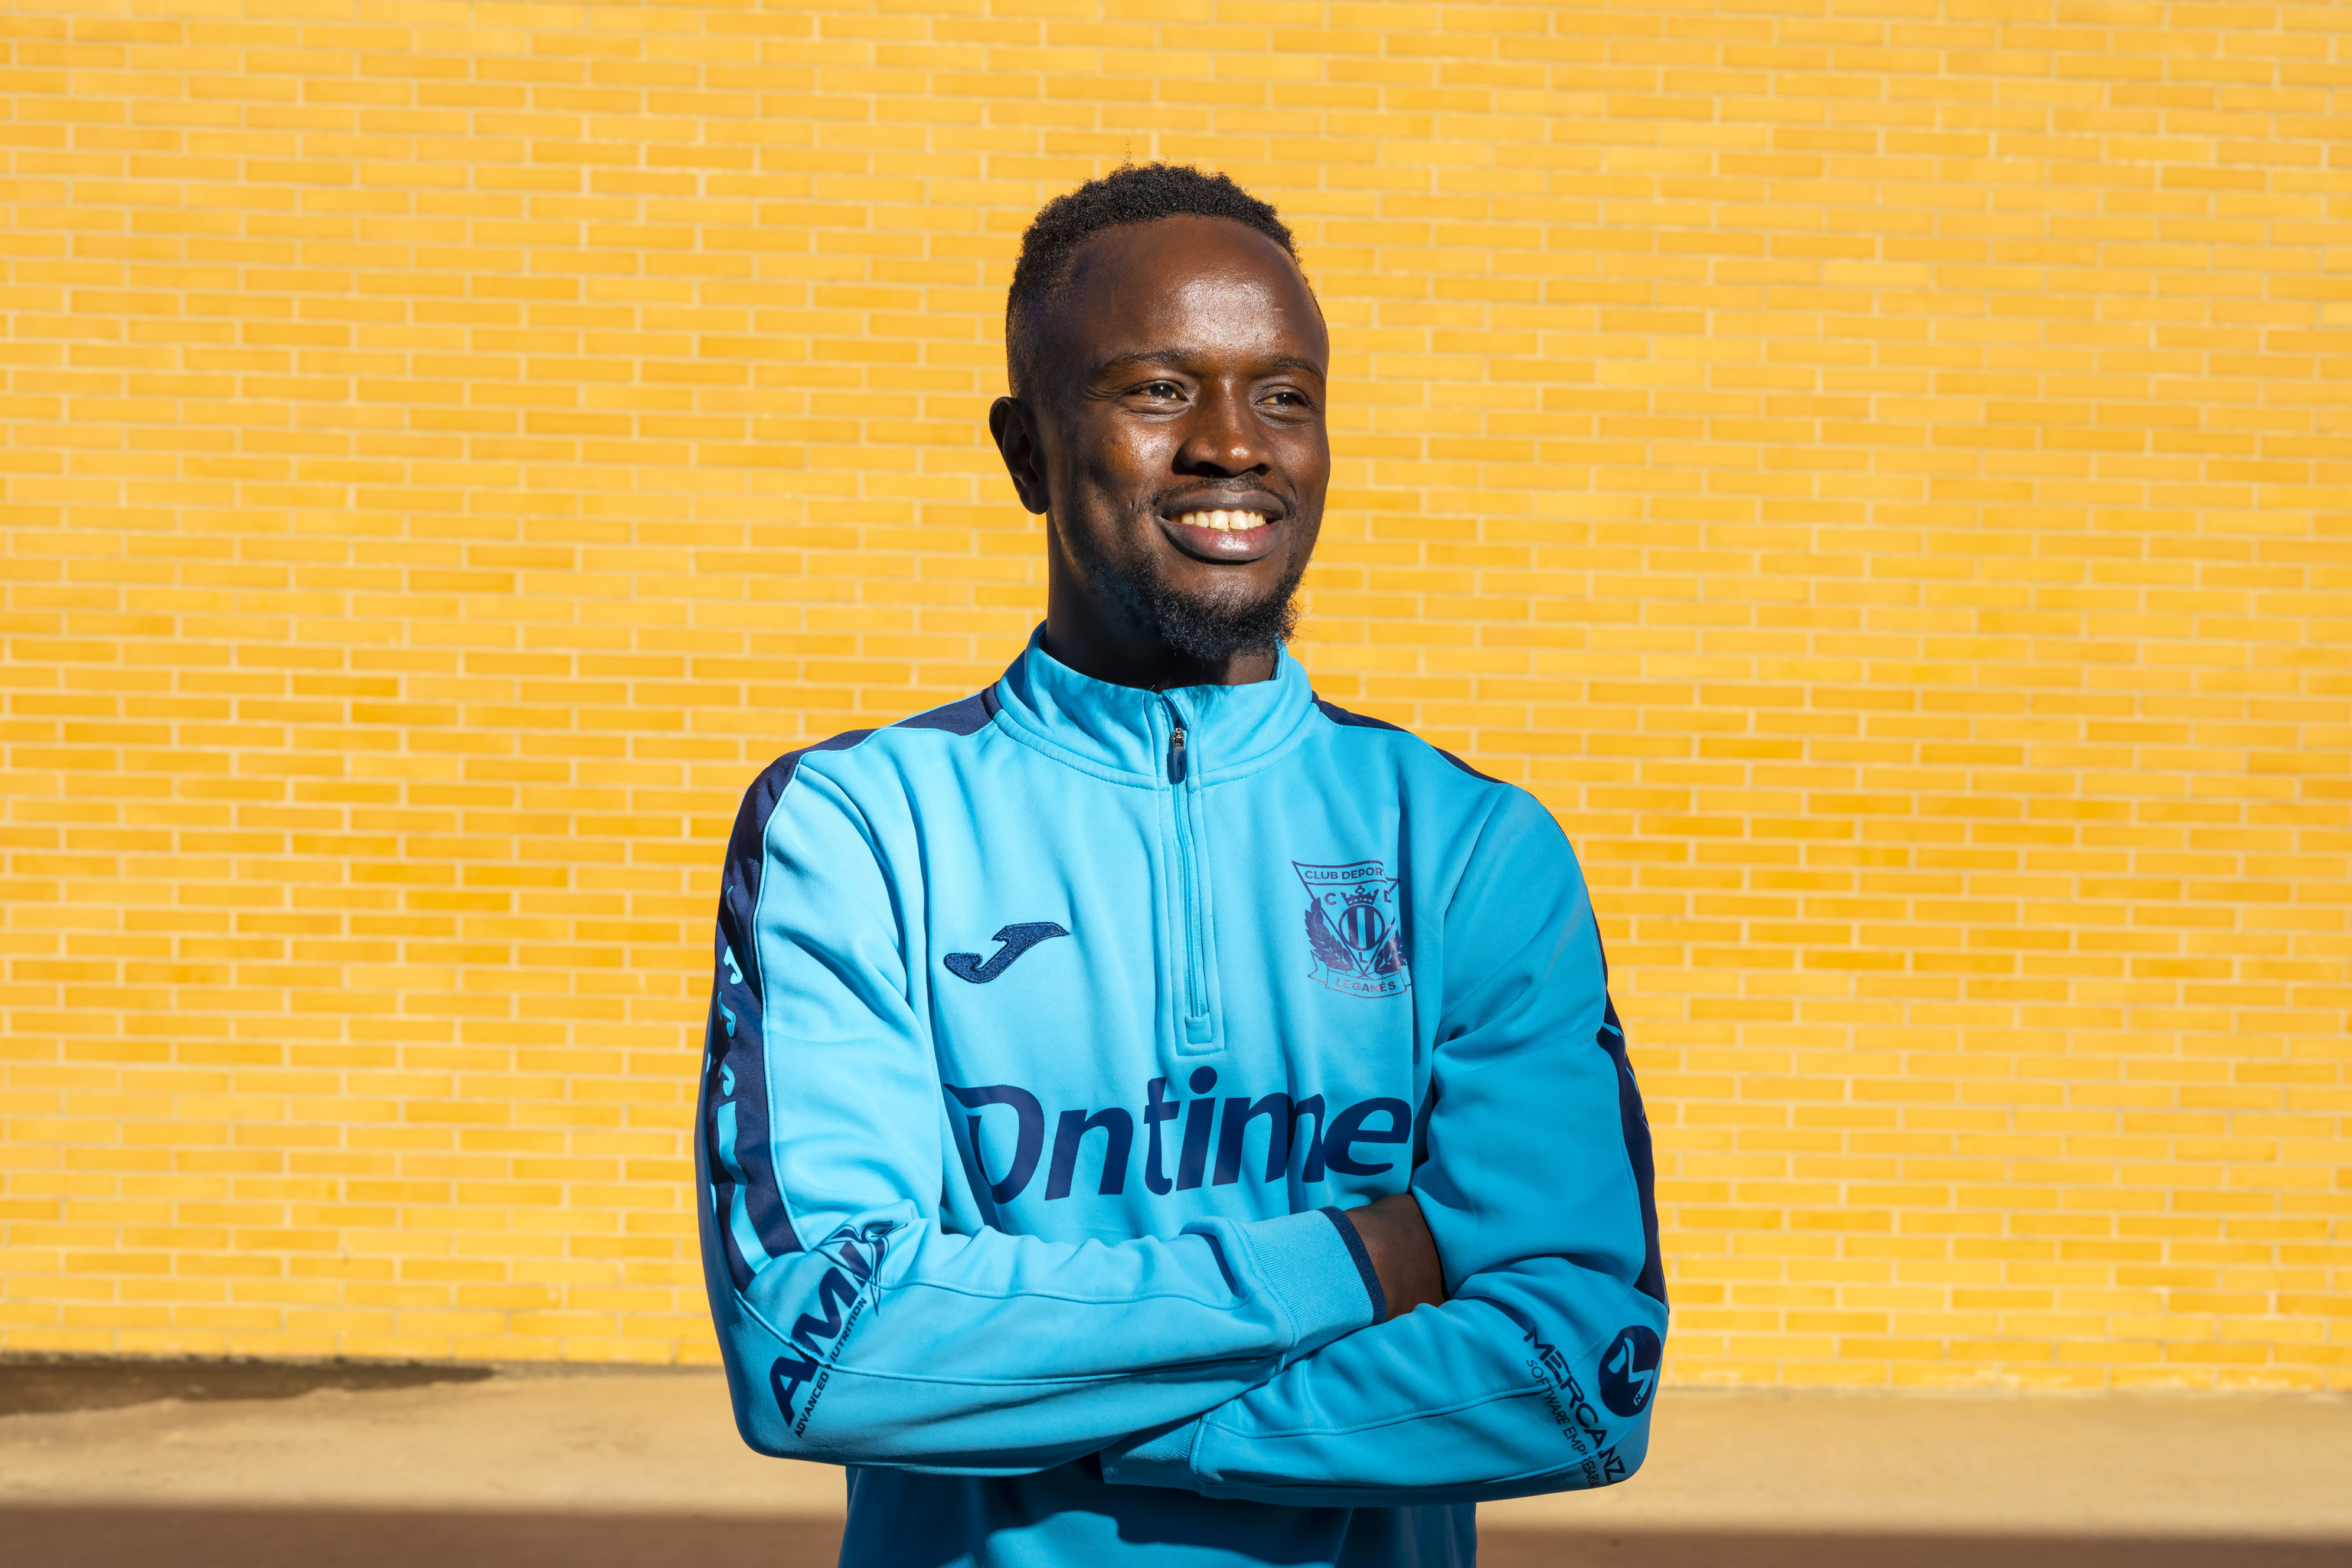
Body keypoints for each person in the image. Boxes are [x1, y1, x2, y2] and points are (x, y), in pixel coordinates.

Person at [695, 164, 1665, 1568]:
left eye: (1284, 395)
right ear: (1026, 451)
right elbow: (822, 1352)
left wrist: (1065, 1421)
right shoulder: (860, 827)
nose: (1233, 445)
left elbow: (1579, 1375)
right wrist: (1359, 1260)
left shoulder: (1467, 847)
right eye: (1158, 391)